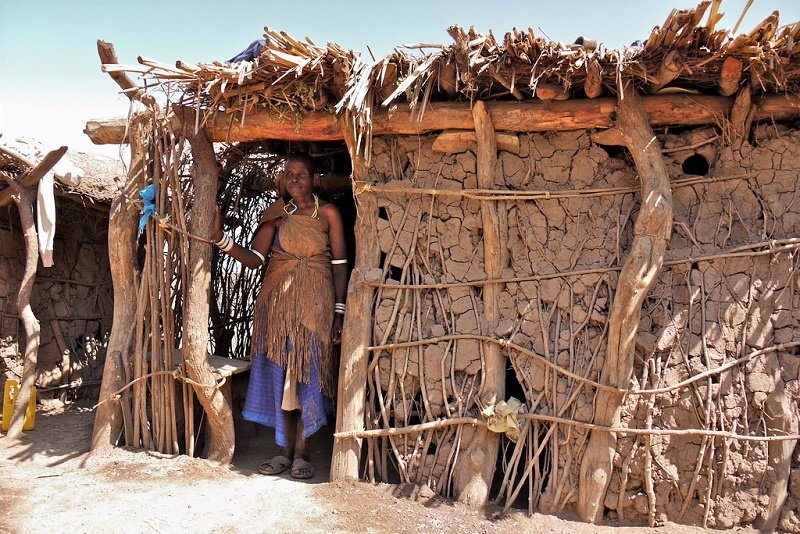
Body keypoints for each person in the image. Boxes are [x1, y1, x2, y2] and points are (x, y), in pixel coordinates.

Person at [212, 153, 347, 479]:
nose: (294, 179)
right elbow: (256, 258)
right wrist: (220, 238)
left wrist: (339, 312)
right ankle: (283, 451)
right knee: (279, 377)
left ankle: (302, 454)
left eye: (301, 173)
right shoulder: (276, 216)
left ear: (315, 179)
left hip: (315, 308)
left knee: (307, 377)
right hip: (277, 310)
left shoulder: (327, 213)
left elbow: (341, 265)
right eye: (289, 174)